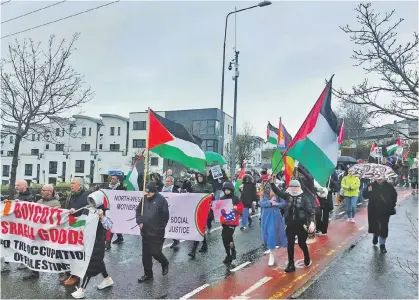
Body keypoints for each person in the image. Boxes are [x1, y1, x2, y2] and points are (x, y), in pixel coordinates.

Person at [71, 191, 114, 299]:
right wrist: (72, 213)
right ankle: (107, 279)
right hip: (87, 241)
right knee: (97, 261)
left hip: (98, 242)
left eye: (93, 200)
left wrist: (102, 216)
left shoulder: (105, 210)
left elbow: (109, 226)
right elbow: (81, 222)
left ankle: (82, 289)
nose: (91, 202)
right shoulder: (88, 209)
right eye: (90, 200)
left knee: (90, 264)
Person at [270, 178, 314, 273]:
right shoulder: (287, 196)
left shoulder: (304, 198)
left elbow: (311, 212)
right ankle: (291, 264)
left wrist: (312, 223)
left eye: (296, 187)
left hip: (302, 225)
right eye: (292, 186)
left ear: (299, 187)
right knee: (290, 244)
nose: (294, 189)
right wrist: (272, 183)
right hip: (289, 225)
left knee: (302, 244)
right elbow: (277, 192)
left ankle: (307, 258)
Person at [22, 184, 61, 279]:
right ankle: (34, 273)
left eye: (44, 190)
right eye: (42, 190)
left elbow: (57, 218)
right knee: (34, 252)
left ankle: (61, 273)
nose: (41, 191)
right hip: (38, 232)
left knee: (52, 254)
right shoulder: (40, 201)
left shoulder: (56, 203)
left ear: (50, 192)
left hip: (48, 234)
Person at [136, 182, 169, 282]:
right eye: (146, 192)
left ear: (154, 191)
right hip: (145, 231)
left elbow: (165, 217)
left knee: (155, 252)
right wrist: (139, 221)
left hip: (156, 232)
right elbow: (138, 211)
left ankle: (164, 262)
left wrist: (159, 228)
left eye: (149, 193)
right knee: (146, 254)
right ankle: (148, 275)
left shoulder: (161, 200)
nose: (147, 194)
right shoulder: (144, 198)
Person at [61, 177, 90, 286]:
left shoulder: (87, 195)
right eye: (71, 183)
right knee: (68, 251)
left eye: (73, 183)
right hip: (70, 226)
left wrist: (78, 212)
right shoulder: (70, 195)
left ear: (80, 185)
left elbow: (89, 210)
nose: (71, 185)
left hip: (80, 227)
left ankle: (75, 276)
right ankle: (68, 272)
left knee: (76, 252)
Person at [363, 177, 397, 254]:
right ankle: (375, 235)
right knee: (375, 225)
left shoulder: (389, 186)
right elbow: (364, 195)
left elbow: (394, 196)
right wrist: (368, 191)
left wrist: (392, 205)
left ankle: (382, 245)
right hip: (373, 210)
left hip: (385, 210)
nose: (379, 179)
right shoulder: (371, 185)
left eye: (381, 177)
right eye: (377, 177)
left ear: (385, 178)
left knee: (384, 226)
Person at [260, 188, 287, 267]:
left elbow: (284, 203)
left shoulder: (277, 192)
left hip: (275, 215)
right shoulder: (262, 191)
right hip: (265, 216)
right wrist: (269, 202)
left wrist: (276, 204)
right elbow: (261, 204)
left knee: (272, 234)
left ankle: (271, 254)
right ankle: (271, 249)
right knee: (266, 235)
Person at [188, 172, 213, 258]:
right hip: (196, 210)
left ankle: (193, 251)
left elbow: (212, 197)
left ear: (204, 177)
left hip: (205, 210)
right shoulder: (195, 186)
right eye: (198, 176)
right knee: (200, 228)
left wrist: (211, 196)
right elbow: (191, 196)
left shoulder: (208, 186)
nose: (199, 178)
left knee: (199, 228)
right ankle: (205, 245)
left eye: (201, 176)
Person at [219, 181, 244, 265]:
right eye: (225, 190)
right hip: (224, 222)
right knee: (227, 239)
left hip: (232, 222)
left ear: (231, 190)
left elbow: (241, 210)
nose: (226, 191)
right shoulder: (222, 198)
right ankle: (231, 252)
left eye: (228, 190)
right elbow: (218, 209)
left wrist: (235, 208)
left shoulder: (236, 199)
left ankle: (229, 255)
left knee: (226, 238)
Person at [162, 176, 181, 249]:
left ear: (172, 182)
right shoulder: (162, 188)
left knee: (169, 226)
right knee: (165, 226)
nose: (166, 182)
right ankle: (175, 240)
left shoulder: (174, 189)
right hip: (163, 210)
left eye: (168, 181)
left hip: (172, 210)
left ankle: (175, 240)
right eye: (166, 181)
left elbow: (177, 199)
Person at [107, 176, 126, 247]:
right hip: (110, 208)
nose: (112, 180)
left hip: (118, 209)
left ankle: (108, 243)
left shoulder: (121, 188)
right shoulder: (109, 187)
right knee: (115, 224)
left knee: (112, 225)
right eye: (111, 178)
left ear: (117, 180)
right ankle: (120, 237)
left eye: (114, 179)